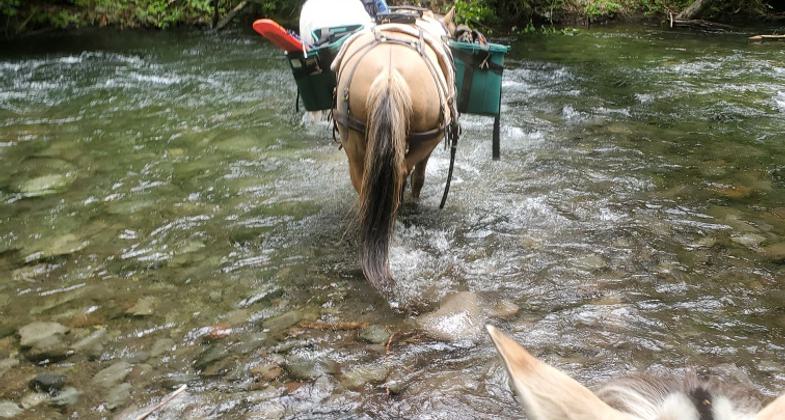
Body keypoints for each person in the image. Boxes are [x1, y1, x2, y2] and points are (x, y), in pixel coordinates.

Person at [299, 0, 374, 50]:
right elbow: (369, 26)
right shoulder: (354, 3)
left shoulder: (309, 7)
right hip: (362, 41)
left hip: (324, 52)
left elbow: (306, 42)